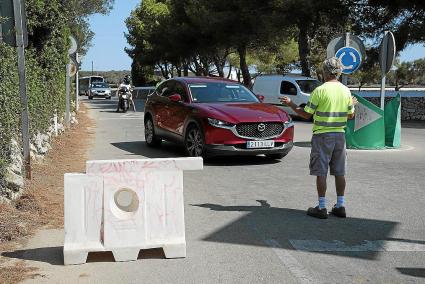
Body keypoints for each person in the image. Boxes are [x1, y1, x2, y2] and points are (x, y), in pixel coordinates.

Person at [279, 57, 356, 219]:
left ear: (325, 72)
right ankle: (340, 205)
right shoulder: (345, 90)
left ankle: (322, 207)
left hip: (322, 135)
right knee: (340, 171)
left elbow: (306, 114)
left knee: (321, 171)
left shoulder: (319, 91)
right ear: (339, 73)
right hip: (340, 135)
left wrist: (291, 104)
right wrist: (352, 104)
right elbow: (351, 115)